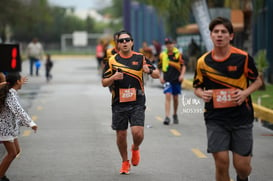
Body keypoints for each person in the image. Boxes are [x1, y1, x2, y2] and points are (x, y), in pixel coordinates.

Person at [193, 17, 263, 181]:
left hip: (241, 117)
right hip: (215, 118)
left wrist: (245, 93)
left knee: (242, 167)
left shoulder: (243, 58)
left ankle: (243, 177)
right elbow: (197, 87)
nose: (219, 35)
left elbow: (258, 81)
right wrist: (202, 94)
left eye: (223, 32)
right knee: (221, 162)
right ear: (210, 35)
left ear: (230, 36)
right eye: (216, 32)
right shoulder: (203, 62)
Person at [101, 30, 160, 175]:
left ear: (132, 42)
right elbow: (103, 82)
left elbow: (157, 74)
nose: (125, 42)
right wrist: (113, 78)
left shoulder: (141, 58)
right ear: (118, 44)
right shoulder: (112, 60)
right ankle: (125, 161)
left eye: (127, 40)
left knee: (137, 132)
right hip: (119, 102)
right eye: (121, 41)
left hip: (137, 101)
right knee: (121, 134)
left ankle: (135, 148)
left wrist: (149, 71)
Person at [0, 72, 38, 181]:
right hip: (4, 129)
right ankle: (1, 175)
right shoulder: (10, 94)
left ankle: (1, 173)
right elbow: (18, 111)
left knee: (16, 151)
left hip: (10, 128)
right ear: (17, 82)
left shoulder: (11, 91)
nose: (23, 82)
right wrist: (31, 123)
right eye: (21, 80)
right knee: (12, 153)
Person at [158, 38, 186, 125]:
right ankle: (167, 117)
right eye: (167, 43)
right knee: (168, 95)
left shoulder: (178, 54)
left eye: (170, 43)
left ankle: (175, 114)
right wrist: (160, 77)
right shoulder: (163, 55)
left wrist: (182, 75)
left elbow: (183, 66)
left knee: (175, 98)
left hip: (176, 79)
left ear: (173, 44)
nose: (169, 45)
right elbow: (159, 67)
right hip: (167, 79)